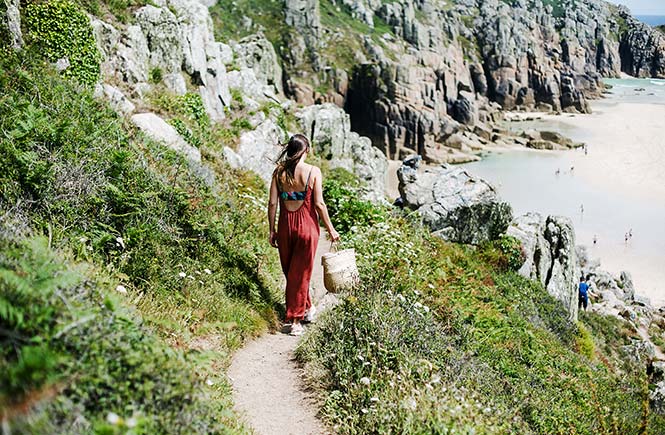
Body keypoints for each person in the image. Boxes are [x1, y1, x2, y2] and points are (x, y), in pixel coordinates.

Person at [267, 134, 340, 336]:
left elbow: (272, 203)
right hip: (307, 228)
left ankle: (306, 309)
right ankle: (295, 320)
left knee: (293, 274)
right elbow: (319, 204)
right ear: (305, 150)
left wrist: (271, 229)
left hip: (285, 228)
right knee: (299, 275)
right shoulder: (313, 172)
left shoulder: (278, 173)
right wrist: (331, 229)